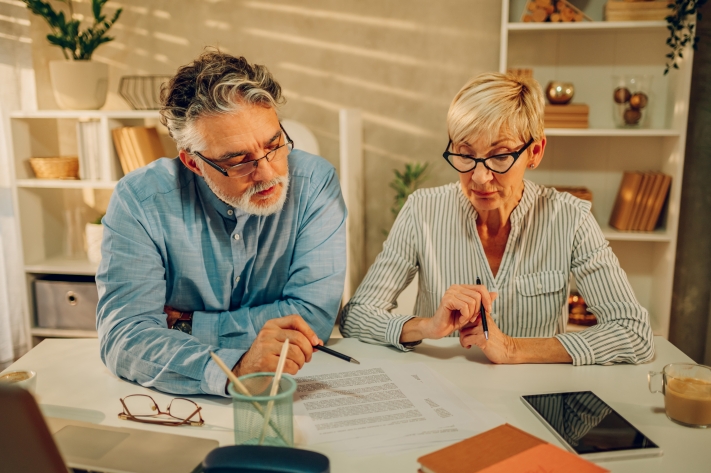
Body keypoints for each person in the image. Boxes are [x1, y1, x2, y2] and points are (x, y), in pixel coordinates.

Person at [340, 72, 654, 365]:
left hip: (536, 403)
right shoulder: (422, 211)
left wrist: (514, 349)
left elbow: (634, 334)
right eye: (464, 154)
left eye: (500, 156)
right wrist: (426, 326)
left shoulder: (571, 219)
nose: (479, 177)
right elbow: (355, 317)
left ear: (536, 151)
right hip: (444, 401)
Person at [96, 51, 347, 396]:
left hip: (291, 389)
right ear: (193, 162)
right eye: (238, 160)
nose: (268, 172)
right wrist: (236, 370)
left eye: (274, 145)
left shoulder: (317, 182)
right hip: (173, 405)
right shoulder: (139, 200)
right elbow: (124, 338)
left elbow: (310, 319)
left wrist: (186, 325)